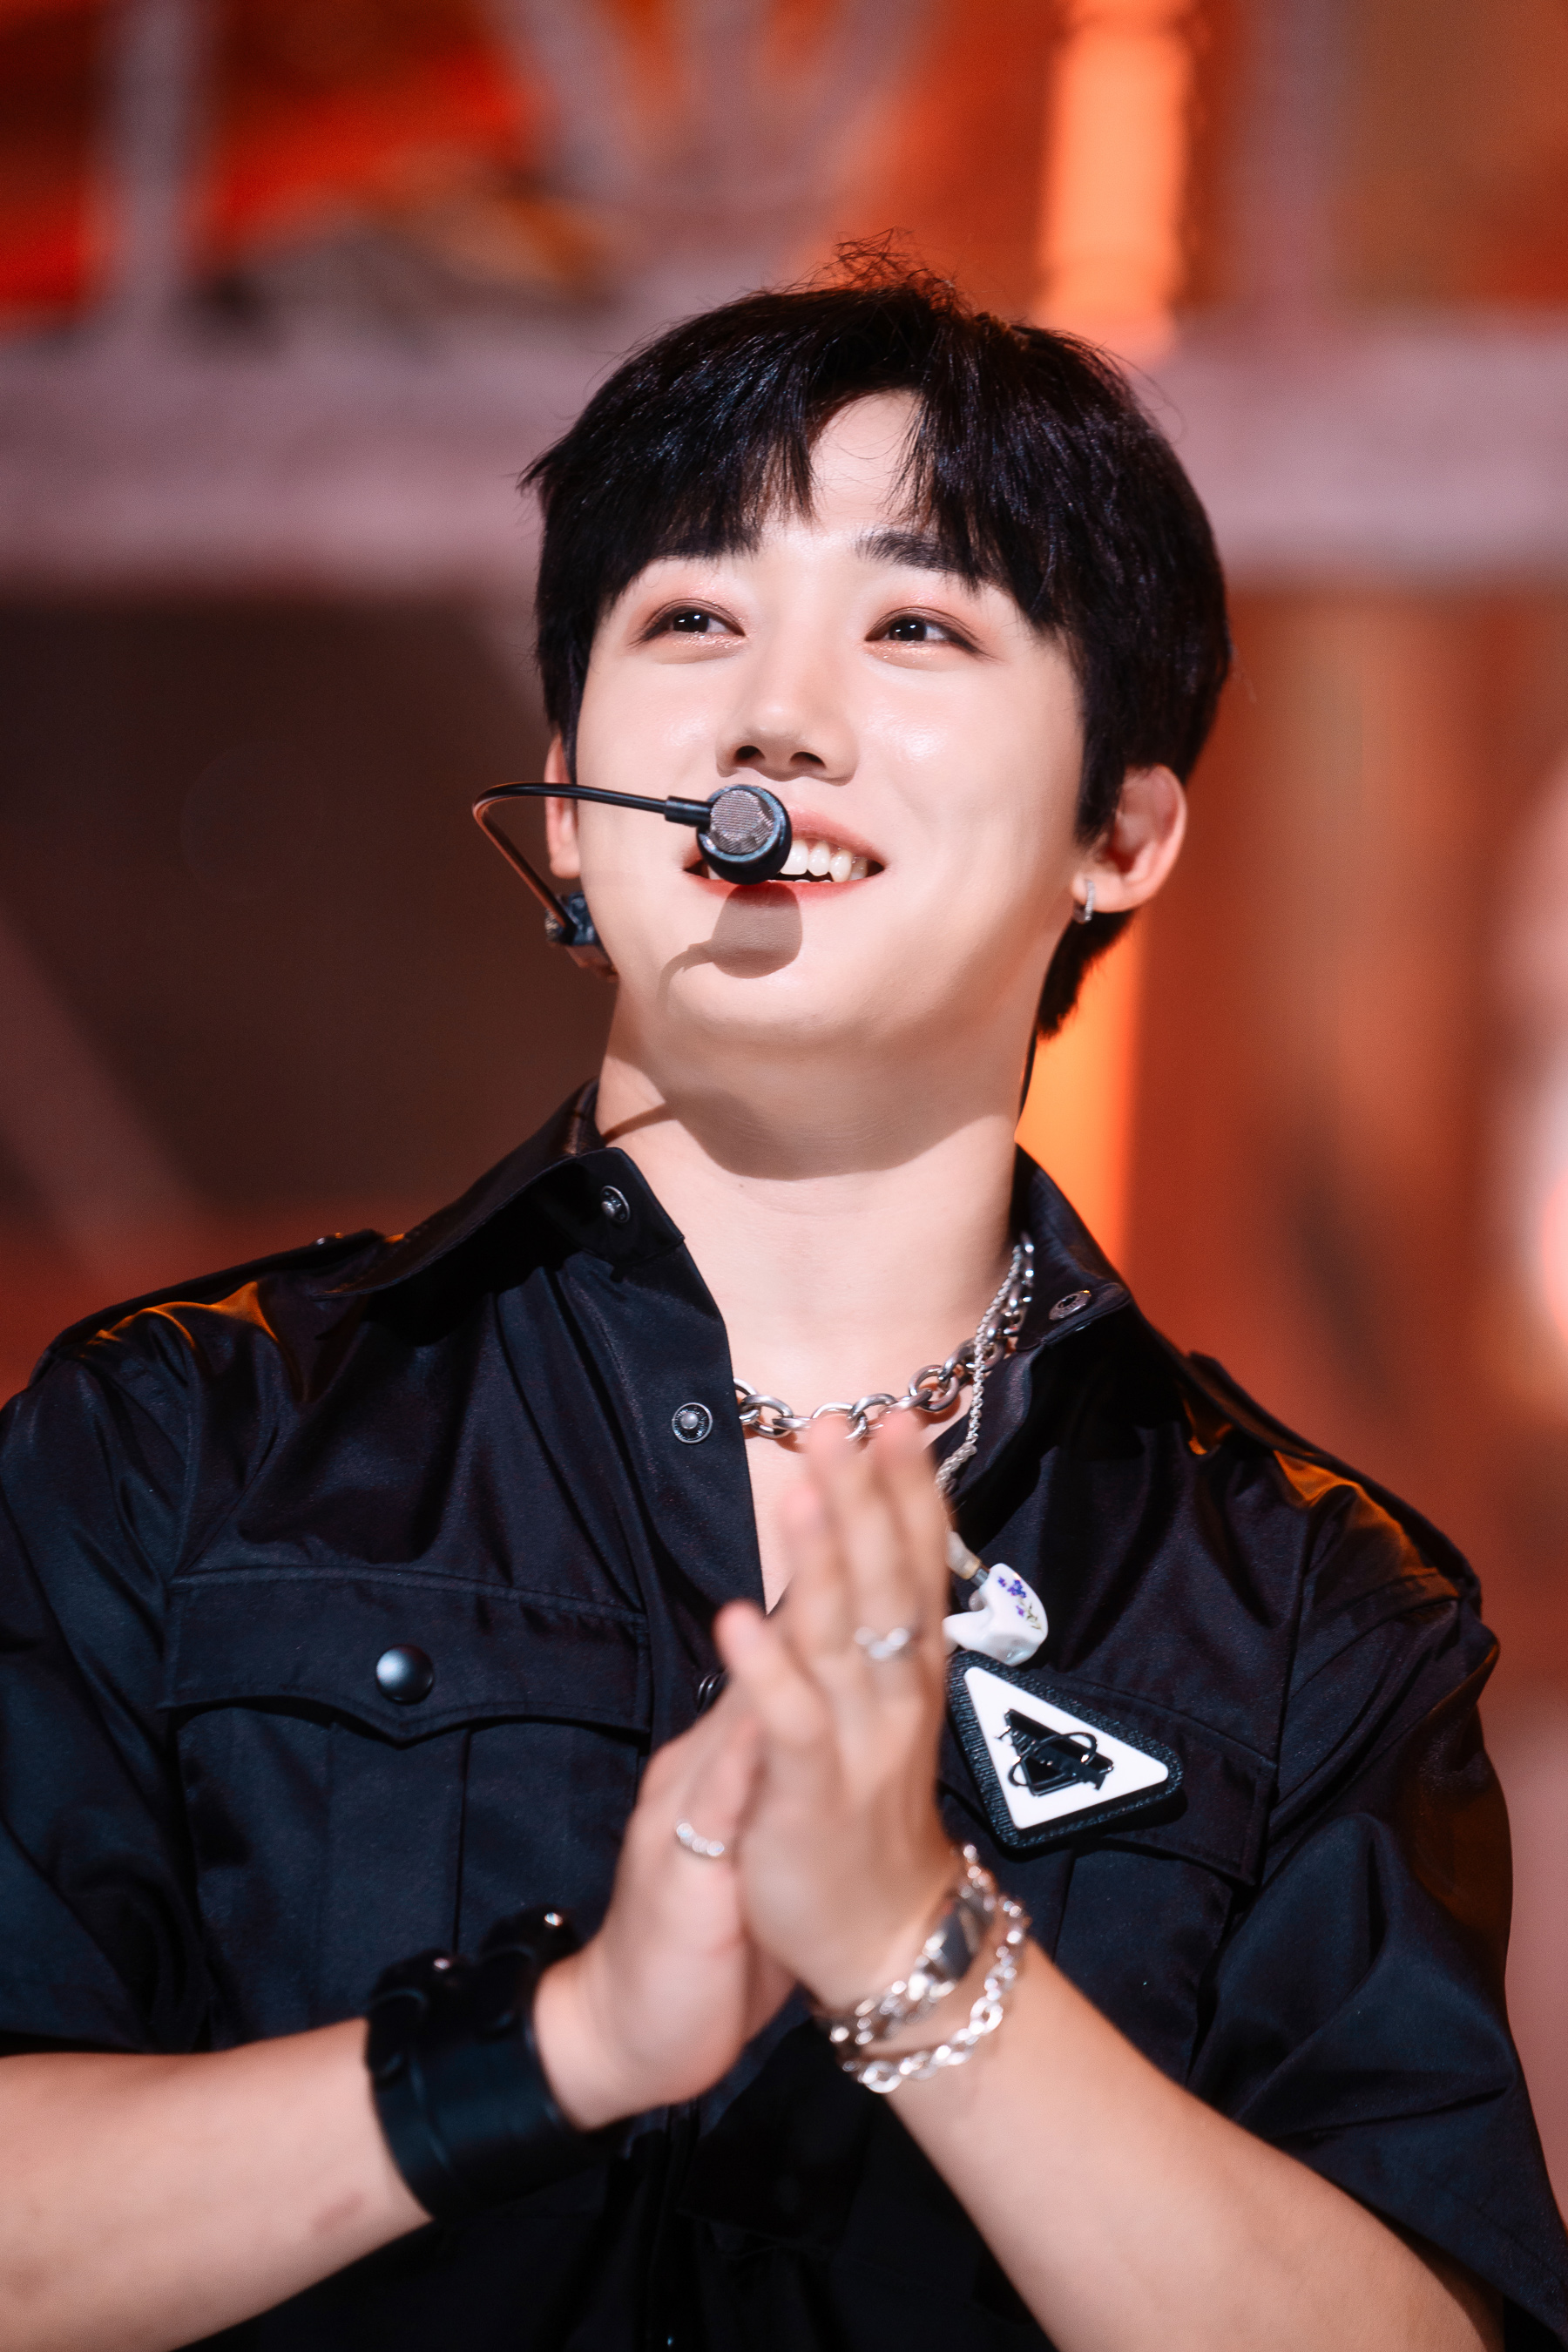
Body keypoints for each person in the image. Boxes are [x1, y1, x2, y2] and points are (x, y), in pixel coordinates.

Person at [0, 260, 1563, 2352]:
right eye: (690, 619)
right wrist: (562, 2046)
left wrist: (919, 1954)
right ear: (572, 799)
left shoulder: (1306, 1615)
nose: (774, 717)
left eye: (916, 627)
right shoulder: (177, 1448)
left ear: (1122, 829)